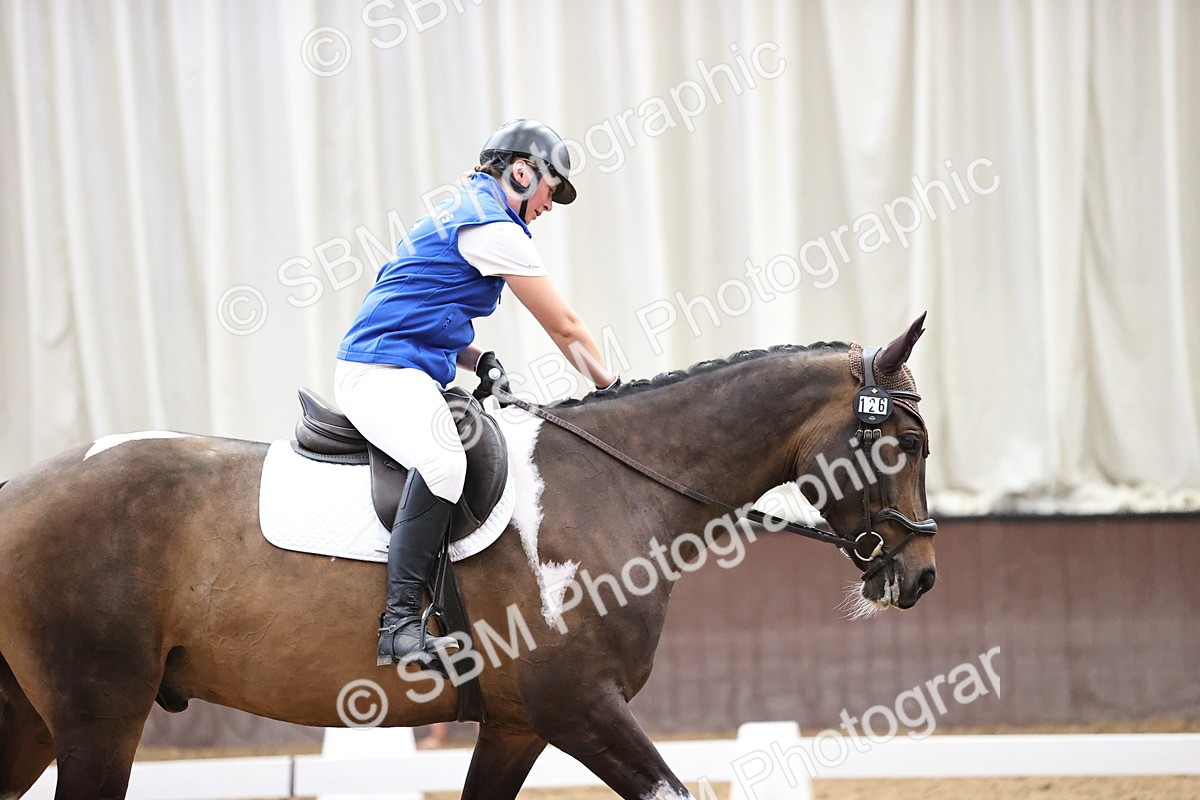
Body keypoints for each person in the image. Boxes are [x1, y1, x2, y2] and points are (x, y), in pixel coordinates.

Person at [335, 119, 619, 671]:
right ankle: (396, 626)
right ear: (521, 171)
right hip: (379, 372)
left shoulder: (468, 208)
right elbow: (564, 326)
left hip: (401, 364)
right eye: (551, 188)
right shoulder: (492, 226)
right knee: (443, 463)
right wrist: (614, 390)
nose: (552, 203)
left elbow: (421, 312)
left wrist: (473, 357)